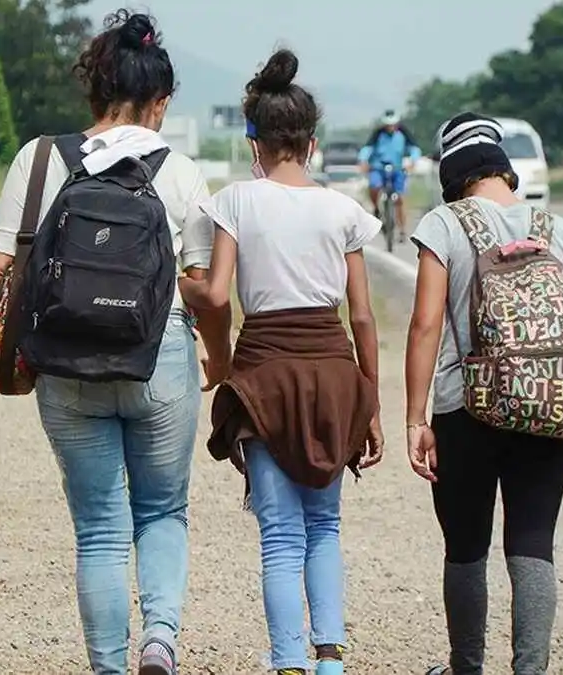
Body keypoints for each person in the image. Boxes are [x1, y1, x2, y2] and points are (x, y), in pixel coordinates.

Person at [0, 10, 230, 675]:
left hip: (65, 362)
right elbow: (201, 286)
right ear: (158, 102)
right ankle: (159, 638)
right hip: (159, 360)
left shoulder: (40, 158)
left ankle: (106, 665)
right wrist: (220, 356)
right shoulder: (180, 170)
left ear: (92, 90)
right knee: (161, 510)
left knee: (99, 523)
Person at [178, 48, 384, 675]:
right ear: (312, 144)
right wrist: (370, 403)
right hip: (331, 372)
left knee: (279, 536)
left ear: (254, 143)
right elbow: (363, 316)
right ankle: (330, 658)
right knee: (324, 526)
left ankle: (287, 661)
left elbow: (215, 296)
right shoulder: (343, 210)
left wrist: (176, 284)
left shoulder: (236, 201)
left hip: (264, 373)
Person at [405, 113, 563, 675]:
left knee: (466, 546)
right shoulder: (555, 228)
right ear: (504, 167)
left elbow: (424, 325)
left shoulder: (445, 223)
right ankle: (530, 669)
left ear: (451, 170)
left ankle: (468, 668)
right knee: (533, 541)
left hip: (466, 406)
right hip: (549, 401)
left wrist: (416, 418)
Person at [357, 109, 423, 241]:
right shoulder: (378, 134)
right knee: (374, 186)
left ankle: (402, 229)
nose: (390, 127)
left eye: (392, 125)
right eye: (388, 125)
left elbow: (414, 149)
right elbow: (367, 149)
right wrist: (363, 161)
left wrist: (413, 161)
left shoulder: (403, 134)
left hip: (397, 168)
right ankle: (376, 208)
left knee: (400, 198)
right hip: (378, 167)